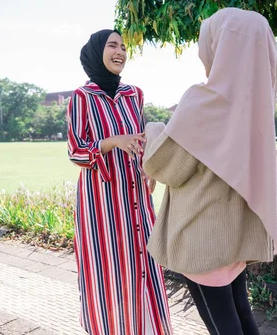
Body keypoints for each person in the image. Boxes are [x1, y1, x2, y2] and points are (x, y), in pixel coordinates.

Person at [142, 8, 277, 335]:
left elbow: (166, 167)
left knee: (221, 325)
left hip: (203, 236)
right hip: (237, 234)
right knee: (241, 314)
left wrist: (154, 129)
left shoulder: (202, 102)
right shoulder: (258, 107)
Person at [67, 29, 172, 335]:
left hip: (136, 194)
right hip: (100, 201)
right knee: (108, 269)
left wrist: (149, 168)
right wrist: (111, 142)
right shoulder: (82, 98)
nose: (120, 51)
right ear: (96, 52)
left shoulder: (134, 94)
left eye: (124, 47)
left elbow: (140, 141)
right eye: (113, 45)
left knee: (144, 262)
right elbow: (76, 152)